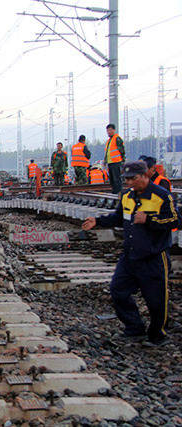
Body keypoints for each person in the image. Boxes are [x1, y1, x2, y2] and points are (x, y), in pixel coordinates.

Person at [82, 161, 176, 347]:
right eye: (127, 179)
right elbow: (118, 217)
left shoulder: (161, 196)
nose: (129, 182)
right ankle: (134, 328)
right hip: (130, 255)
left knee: (156, 300)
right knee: (118, 291)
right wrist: (98, 221)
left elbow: (175, 220)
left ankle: (158, 335)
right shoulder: (126, 196)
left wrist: (150, 220)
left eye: (133, 178)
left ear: (145, 176)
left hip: (153, 256)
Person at [104, 124, 126, 193]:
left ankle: (118, 192)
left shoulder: (117, 138)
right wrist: (105, 161)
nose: (109, 132)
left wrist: (122, 161)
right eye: (107, 130)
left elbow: (122, 150)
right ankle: (114, 191)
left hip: (116, 162)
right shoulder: (109, 141)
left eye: (110, 130)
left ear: (114, 130)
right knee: (112, 179)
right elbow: (107, 152)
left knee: (117, 179)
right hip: (110, 162)